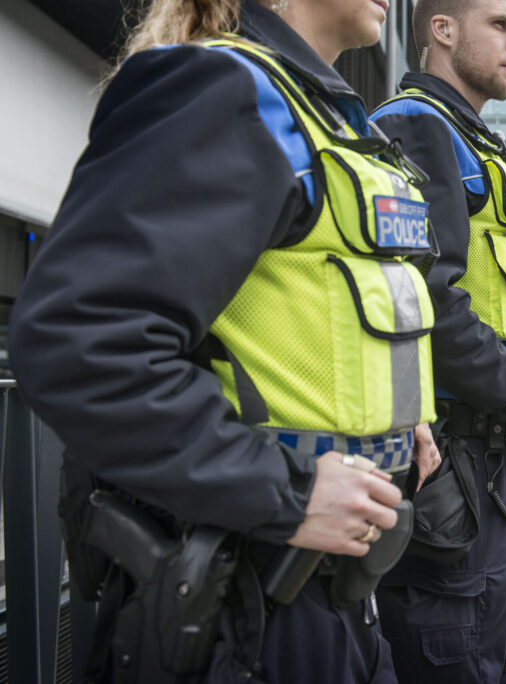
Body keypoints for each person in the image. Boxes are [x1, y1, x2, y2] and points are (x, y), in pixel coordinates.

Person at [6, 1, 447, 681]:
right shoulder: (227, 91)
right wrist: (288, 491)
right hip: (242, 606)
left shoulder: (320, 115)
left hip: (325, 590)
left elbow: (297, 311)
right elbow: (79, 340)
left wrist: (391, 422)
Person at [367, 1, 506, 680]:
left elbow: (491, 292)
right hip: (453, 464)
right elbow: (425, 294)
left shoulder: (474, 140)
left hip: (492, 466)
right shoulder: (415, 126)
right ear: (443, 29)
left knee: (484, 659)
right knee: (454, 662)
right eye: (501, 24)